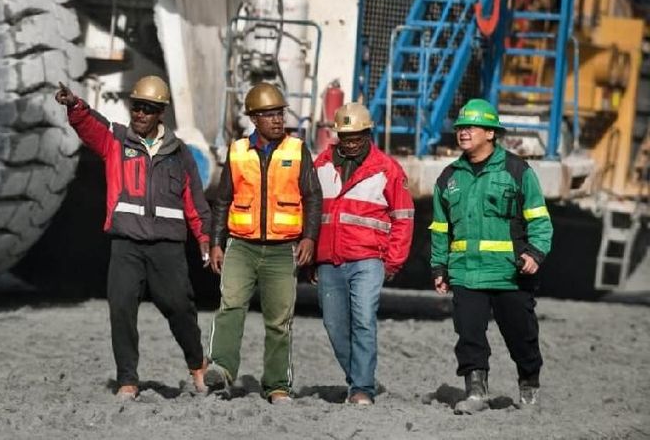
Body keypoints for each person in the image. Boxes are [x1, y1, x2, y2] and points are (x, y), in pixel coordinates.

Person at [55, 76, 211, 400]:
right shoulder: (115, 140)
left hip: (167, 247)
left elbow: (195, 203)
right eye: (136, 107)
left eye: (147, 109)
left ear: (160, 113)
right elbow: (89, 124)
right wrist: (75, 106)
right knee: (121, 307)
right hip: (126, 244)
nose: (139, 114)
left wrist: (207, 241)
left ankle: (198, 365)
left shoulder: (180, 154)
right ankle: (128, 379)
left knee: (179, 306)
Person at [430, 98, 553, 413]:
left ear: (490, 133)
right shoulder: (448, 178)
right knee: (469, 336)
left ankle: (529, 386)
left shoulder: (517, 170)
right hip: (466, 273)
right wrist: (439, 267)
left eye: (470, 127)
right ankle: (476, 392)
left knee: (522, 337)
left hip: (510, 274)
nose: (463, 132)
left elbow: (539, 219)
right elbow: (440, 228)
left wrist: (536, 253)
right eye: (460, 127)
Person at [203, 82, 323, 404]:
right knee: (230, 307)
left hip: (283, 250)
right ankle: (221, 370)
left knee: (280, 321)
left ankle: (277, 386)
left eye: (279, 113)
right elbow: (223, 200)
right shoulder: (238, 151)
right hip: (241, 246)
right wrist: (216, 242)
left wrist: (309, 237)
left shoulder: (297, 151)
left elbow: (313, 197)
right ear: (254, 118)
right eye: (269, 114)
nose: (277, 120)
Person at [311, 102, 413, 405]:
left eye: (357, 136)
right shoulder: (321, 165)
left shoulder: (387, 169)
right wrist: (310, 256)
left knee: (364, 320)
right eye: (346, 137)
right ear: (337, 136)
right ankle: (358, 378)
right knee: (334, 325)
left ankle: (362, 389)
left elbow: (404, 216)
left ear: (368, 134)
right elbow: (312, 213)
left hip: (368, 259)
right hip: (329, 260)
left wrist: (393, 261)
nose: (351, 143)